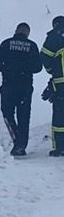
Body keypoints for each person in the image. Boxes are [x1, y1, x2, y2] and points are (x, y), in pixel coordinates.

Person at [0, 22, 43, 156]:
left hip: (8, 85)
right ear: (27, 33)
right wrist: (26, 68)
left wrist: (8, 68)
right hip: (25, 87)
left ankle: (18, 141)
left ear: (16, 30)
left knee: (7, 113)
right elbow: (38, 67)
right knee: (24, 116)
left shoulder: (6, 43)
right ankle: (22, 145)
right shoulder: (32, 46)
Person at [40, 15, 64, 157]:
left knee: (60, 117)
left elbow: (44, 57)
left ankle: (60, 147)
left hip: (61, 84)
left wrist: (52, 71)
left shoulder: (54, 36)